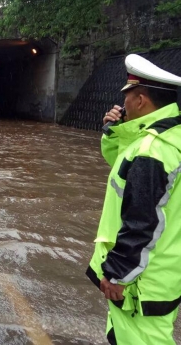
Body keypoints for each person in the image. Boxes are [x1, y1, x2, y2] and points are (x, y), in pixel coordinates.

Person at [86, 54, 181, 345]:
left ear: (140, 100)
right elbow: (122, 169)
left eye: (127, 97)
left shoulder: (152, 150)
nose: (122, 103)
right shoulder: (166, 138)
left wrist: (116, 274)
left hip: (140, 283)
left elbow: (143, 220)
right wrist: (115, 132)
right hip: (161, 276)